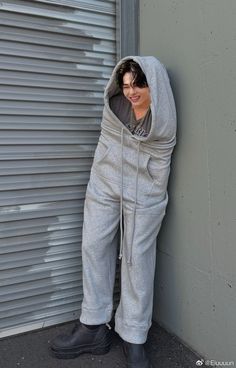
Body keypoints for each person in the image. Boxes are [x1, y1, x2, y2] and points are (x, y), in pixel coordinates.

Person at [50, 56, 176, 368]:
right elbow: (109, 138)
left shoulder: (163, 117)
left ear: (153, 86)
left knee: (136, 259)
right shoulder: (116, 106)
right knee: (93, 246)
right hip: (106, 179)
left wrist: (149, 183)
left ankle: (134, 336)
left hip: (143, 188)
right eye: (126, 85)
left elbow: (161, 151)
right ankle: (93, 325)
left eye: (139, 85)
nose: (132, 92)